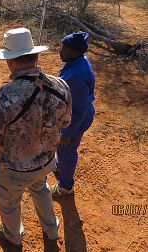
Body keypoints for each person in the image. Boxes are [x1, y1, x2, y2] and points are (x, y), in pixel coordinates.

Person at [0, 28, 72, 246]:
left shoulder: (4, 97)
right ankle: (51, 230)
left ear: (10, 62)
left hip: (14, 170)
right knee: (40, 187)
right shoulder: (61, 86)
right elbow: (66, 122)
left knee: (9, 202)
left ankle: (13, 237)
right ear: (35, 56)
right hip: (46, 161)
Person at [51, 31, 95, 197]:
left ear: (75, 52)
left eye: (64, 49)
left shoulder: (76, 75)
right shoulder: (78, 61)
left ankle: (65, 186)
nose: (60, 52)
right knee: (62, 149)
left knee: (67, 151)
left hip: (75, 120)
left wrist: (67, 132)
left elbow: (79, 110)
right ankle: (61, 166)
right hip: (72, 116)